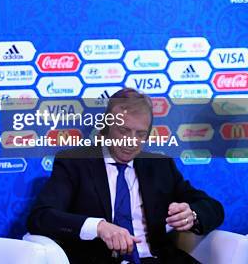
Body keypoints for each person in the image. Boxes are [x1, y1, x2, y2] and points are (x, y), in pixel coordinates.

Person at [27, 88, 224, 264]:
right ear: (106, 127)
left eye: (140, 134)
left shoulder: (160, 166)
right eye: (124, 130)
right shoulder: (75, 162)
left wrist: (192, 215)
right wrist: (99, 227)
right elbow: (41, 217)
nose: (131, 141)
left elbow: (213, 207)